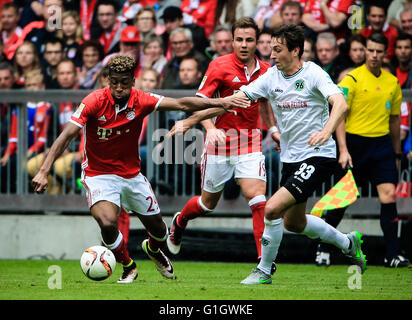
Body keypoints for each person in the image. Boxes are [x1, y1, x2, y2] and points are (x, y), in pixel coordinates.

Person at [31, 55, 249, 283]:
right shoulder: (93, 101)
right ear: (108, 81)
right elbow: (66, 135)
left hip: (132, 176)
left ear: (133, 81)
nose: (118, 88)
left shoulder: (141, 100)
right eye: (114, 82)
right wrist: (44, 170)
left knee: (160, 232)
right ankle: (128, 266)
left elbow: (182, 103)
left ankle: (154, 250)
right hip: (99, 175)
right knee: (106, 221)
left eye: (124, 83)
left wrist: (221, 102)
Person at [235, 24, 366, 284]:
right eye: (271, 49)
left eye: (277, 49)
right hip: (291, 158)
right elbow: (244, 96)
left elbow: (340, 103)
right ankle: (348, 243)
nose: (271, 54)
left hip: (318, 155)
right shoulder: (272, 76)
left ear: (295, 50)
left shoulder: (314, 73)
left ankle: (263, 270)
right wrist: (206, 109)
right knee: (293, 223)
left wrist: (327, 131)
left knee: (271, 208)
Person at [166, 17, 276, 270]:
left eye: (249, 39)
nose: (244, 44)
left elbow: (265, 103)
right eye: (239, 39)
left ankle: (263, 262)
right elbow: (199, 102)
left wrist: (272, 129)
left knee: (257, 197)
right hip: (219, 144)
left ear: (258, 42)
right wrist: (210, 128)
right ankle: (180, 222)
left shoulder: (267, 70)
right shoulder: (218, 66)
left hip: (250, 142)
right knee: (207, 205)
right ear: (233, 41)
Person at [319, 33, 411, 268]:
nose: (373, 55)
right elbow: (338, 115)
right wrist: (343, 149)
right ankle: (324, 248)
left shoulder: (392, 82)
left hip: (382, 147)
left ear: (384, 53)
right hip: (355, 145)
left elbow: (393, 121)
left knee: (389, 197)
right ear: (365, 51)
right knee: (342, 199)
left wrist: (397, 153)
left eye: (378, 51)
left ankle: (392, 254)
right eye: (370, 50)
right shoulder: (352, 79)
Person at [2, 69, 51, 193]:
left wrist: (31, 150)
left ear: (42, 87)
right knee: (6, 164)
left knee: (26, 165)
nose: (32, 88)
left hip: (37, 151)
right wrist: (8, 153)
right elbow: (13, 136)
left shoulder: (47, 108)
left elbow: (43, 137)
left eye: (35, 85)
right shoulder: (19, 109)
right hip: (20, 151)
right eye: (29, 85)